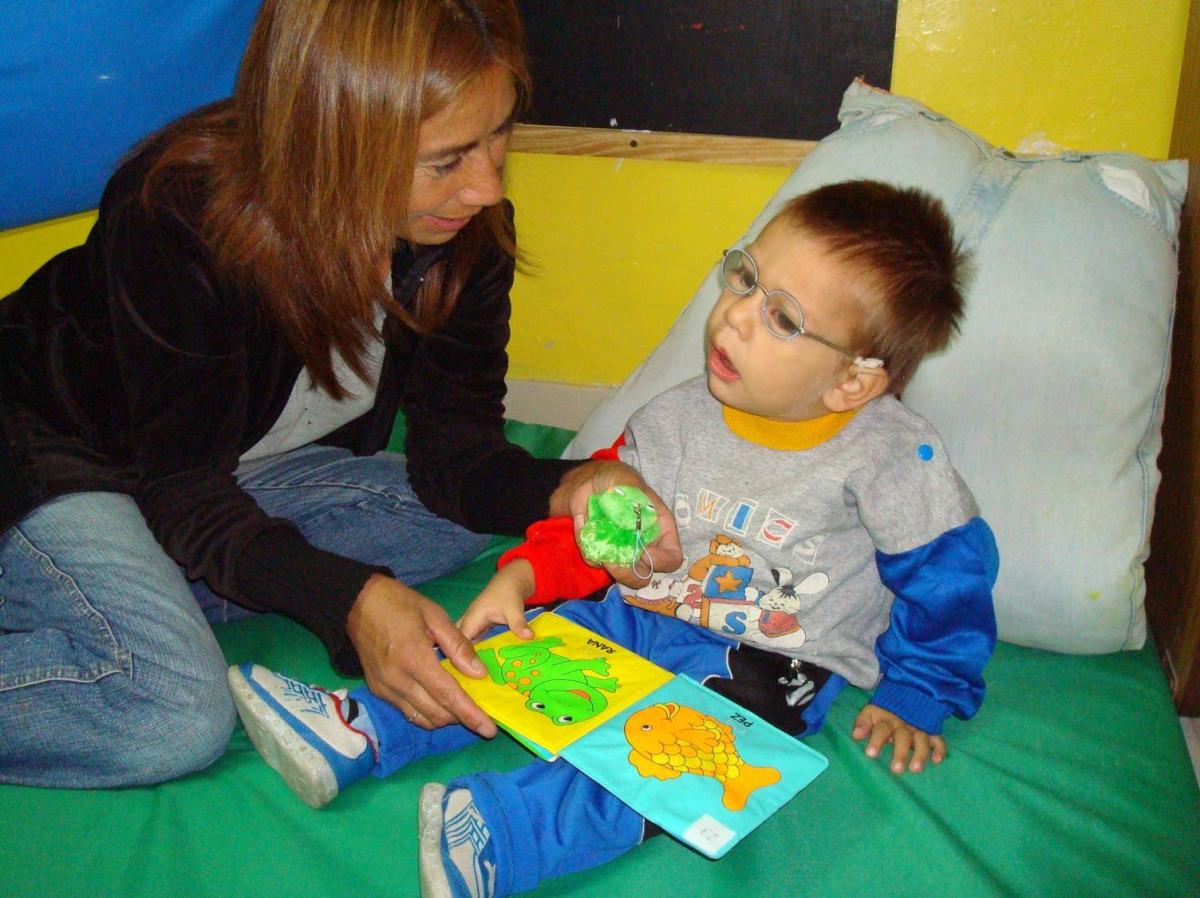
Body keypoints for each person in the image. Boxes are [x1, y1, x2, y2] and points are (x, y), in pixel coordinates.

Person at [226, 180, 1000, 897]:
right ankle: (359, 728)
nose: (736, 313)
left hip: (772, 662)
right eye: (745, 277)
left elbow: (949, 581)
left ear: (853, 383)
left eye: (783, 318)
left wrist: (922, 691)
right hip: (635, 615)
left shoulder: (894, 456)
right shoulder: (675, 419)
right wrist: (523, 577)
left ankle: (509, 832)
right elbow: (601, 527)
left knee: (678, 760)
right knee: (515, 656)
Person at [0, 0, 679, 790]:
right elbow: (179, 482)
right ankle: (103, 597)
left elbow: (454, 452)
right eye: (449, 158)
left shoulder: (465, 236)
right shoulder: (178, 211)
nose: (487, 187)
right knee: (172, 711)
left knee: (444, 524)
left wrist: (571, 486)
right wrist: (348, 600)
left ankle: (119, 593)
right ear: (335, 138)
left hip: (207, 473)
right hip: (51, 451)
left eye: (500, 134)